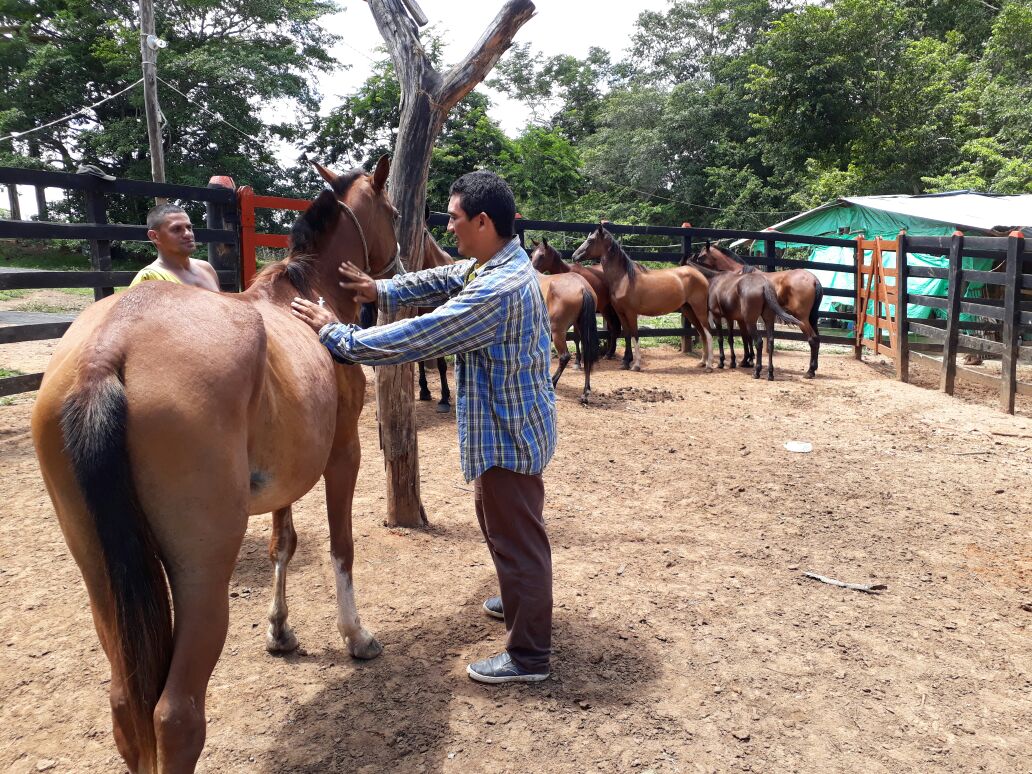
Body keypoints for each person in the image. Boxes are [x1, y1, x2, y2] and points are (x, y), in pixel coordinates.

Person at [291, 170, 557, 684]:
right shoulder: (497, 261)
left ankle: (529, 657)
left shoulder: (496, 291)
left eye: (455, 219)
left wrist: (339, 335)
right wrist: (379, 286)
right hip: (514, 426)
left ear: (483, 221)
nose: (450, 228)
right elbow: (442, 277)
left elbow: (421, 335)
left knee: (520, 538)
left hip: (507, 435)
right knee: (504, 526)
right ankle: (517, 599)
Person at [129, 203, 221, 291]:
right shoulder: (149, 278)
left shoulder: (206, 268)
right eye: (176, 229)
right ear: (154, 236)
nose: (188, 234)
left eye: (189, 227)